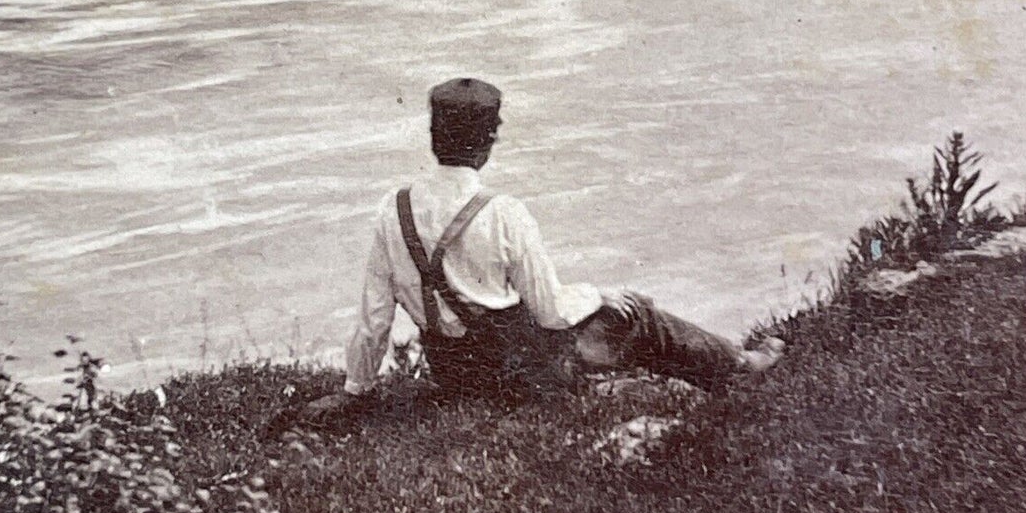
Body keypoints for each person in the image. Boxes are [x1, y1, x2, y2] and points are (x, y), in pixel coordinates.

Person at [300, 77, 783, 427]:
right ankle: (739, 369)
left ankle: (702, 371)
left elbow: (374, 319)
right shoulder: (504, 212)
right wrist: (599, 294)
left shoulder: (393, 209)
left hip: (456, 376)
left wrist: (355, 391)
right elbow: (551, 313)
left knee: (606, 315)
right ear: (488, 143)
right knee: (637, 315)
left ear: (433, 139)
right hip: (520, 374)